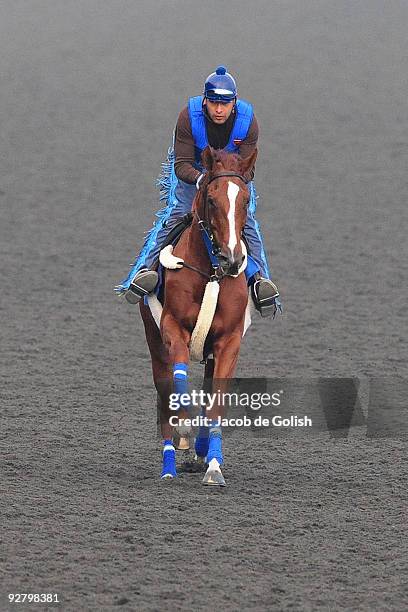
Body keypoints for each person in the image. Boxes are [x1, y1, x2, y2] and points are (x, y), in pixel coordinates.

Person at [115, 65, 281, 317]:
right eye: (213, 102)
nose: (218, 109)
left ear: (234, 103)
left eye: (224, 104)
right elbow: (181, 164)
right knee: (176, 213)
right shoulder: (187, 117)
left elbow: (249, 170)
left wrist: (228, 181)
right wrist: (203, 179)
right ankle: (144, 271)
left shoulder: (249, 122)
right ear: (205, 101)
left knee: (247, 223)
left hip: (231, 178)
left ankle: (259, 280)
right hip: (194, 174)